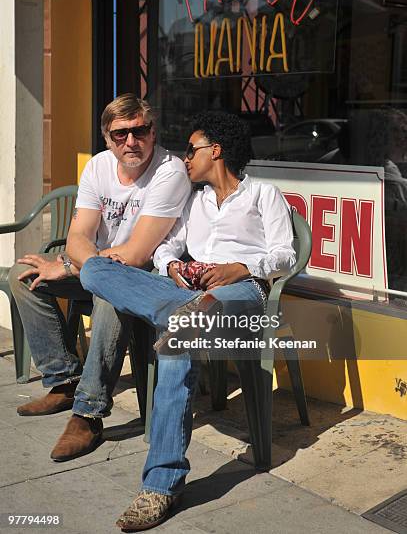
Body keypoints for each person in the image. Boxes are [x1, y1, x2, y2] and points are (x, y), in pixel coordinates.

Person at [79, 111, 296, 531]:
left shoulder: (263, 195)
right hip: (191, 296)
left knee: (181, 331)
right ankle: (177, 311)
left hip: (241, 294)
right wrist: (173, 266)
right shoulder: (194, 202)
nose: (184, 159)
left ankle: (160, 485)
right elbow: (166, 248)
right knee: (95, 270)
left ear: (216, 151)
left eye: (191, 150)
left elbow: (285, 254)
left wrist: (240, 267)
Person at [8, 93, 191, 461]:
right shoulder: (98, 167)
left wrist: (77, 266)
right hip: (98, 263)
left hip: (145, 275)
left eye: (139, 131)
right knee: (22, 274)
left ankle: (88, 413)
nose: (131, 142)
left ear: (152, 132)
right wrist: (79, 263)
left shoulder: (169, 171)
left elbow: (138, 254)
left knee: (110, 293)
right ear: (107, 138)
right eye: (120, 135)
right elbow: (78, 236)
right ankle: (63, 379)